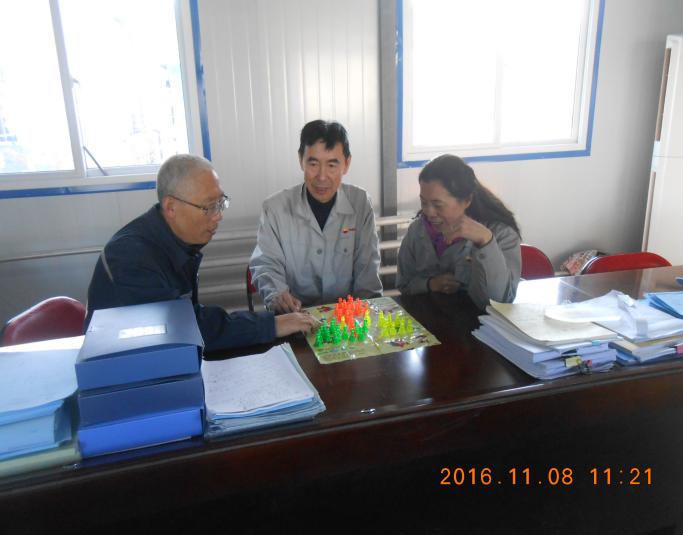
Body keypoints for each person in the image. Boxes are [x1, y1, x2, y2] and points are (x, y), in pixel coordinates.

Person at [85, 154, 317, 351]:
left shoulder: (174, 240)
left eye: (220, 203)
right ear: (171, 207)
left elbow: (189, 318)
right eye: (208, 207)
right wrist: (272, 325)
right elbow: (184, 328)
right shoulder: (130, 257)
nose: (218, 216)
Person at [249, 120, 382, 313]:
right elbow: (266, 263)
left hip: (347, 317)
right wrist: (277, 294)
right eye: (313, 164)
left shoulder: (360, 203)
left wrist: (364, 318)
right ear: (300, 160)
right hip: (295, 315)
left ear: (346, 164)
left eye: (332, 165)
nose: (322, 176)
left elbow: (367, 270)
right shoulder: (275, 208)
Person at [396, 154, 521, 308]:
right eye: (423, 202)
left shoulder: (502, 234)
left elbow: (499, 302)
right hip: (428, 319)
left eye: (438, 205)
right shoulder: (417, 230)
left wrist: (486, 242)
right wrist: (430, 284)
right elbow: (403, 285)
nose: (429, 212)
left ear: (467, 200)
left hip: (476, 321)